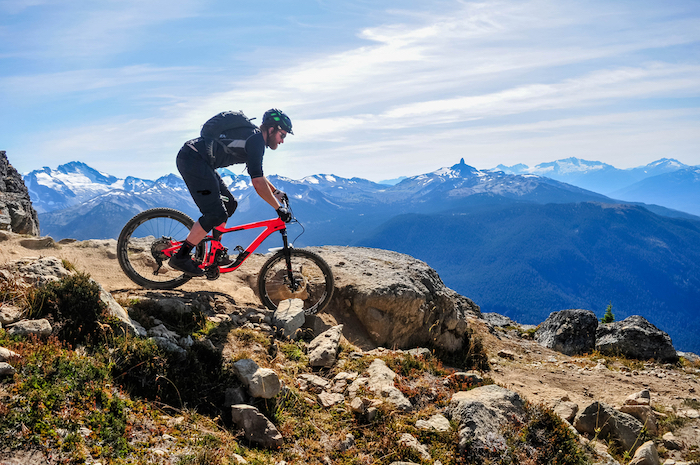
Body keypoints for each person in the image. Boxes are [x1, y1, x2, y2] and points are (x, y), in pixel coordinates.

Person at [169, 108, 294, 276]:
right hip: (192, 160)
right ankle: (181, 257)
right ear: (271, 129)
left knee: (230, 204)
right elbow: (257, 183)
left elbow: (258, 175)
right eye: (282, 135)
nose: (282, 141)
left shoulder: (254, 138)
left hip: (199, 161)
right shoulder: (255, 140)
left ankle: (215, 252)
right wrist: (278, 208)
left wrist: (276, 191)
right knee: (215, 214)